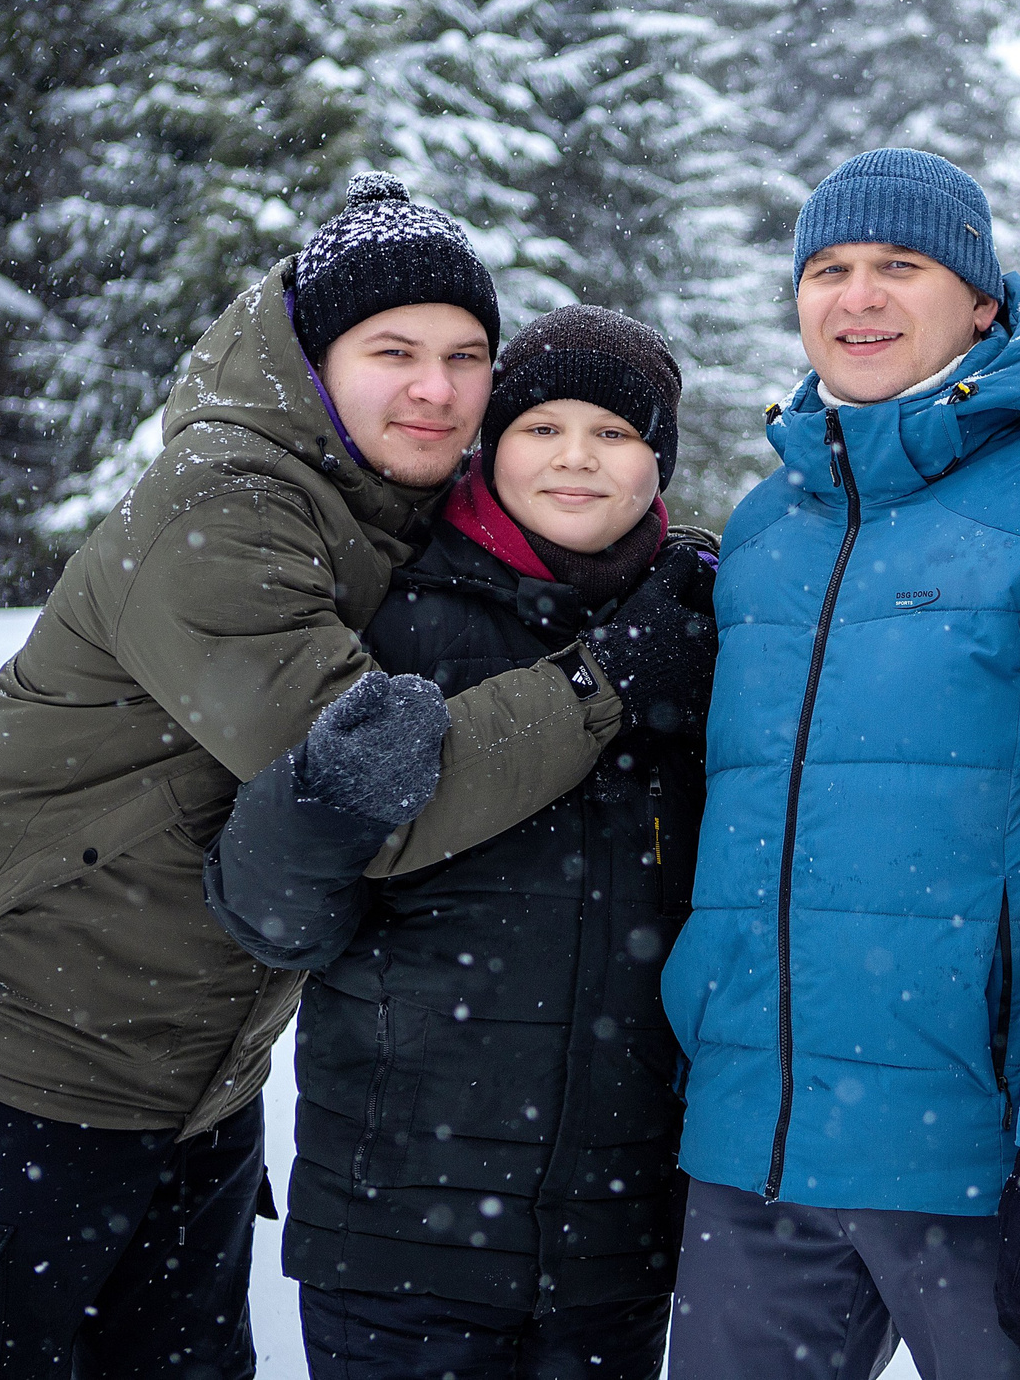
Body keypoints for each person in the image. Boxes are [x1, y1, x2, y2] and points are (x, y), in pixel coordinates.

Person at [0, 175, 613, 1380]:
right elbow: (370, 792)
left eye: (467, 355)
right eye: (394, 351)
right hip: (26, 1019)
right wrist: (600, 682)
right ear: (313, 360)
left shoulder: (379, 498)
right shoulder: (228, 505)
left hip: (192, 1052)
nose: (436, 388)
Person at [660, 148, 1020, 1380]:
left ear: (982, 300)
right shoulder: (770, 530)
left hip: (982, 1168)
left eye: (901, 266)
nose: (857, 297)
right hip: (752, 1157)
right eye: (825, 269)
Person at [204, 305, 720, 1380]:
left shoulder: (706, 631)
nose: (576, 458)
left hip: (616, 1244)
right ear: (493, 442)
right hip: (398, 1239)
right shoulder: (390, 613)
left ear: (657, 460)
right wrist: (329, 800)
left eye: (616, 434)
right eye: (542, 428)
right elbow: (270, 911)